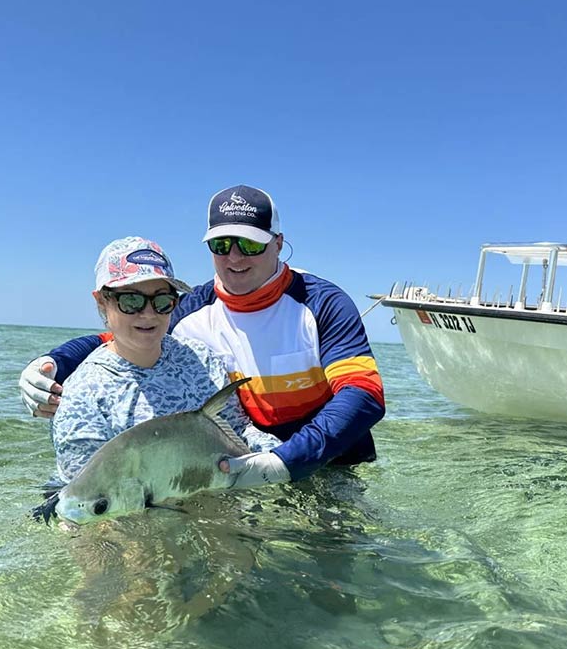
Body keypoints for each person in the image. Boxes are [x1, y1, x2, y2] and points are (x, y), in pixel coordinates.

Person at [21, 185, 385, 487]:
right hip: (244, 468)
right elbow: (127, 337)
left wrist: (286, 461)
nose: (235, 257)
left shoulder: (322, 303)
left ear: (278, 243)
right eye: (221, 244)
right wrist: (51, 363)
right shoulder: (189, 309)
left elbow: (363, 396)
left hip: (332, 463)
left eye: (251, 244)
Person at [52, 235, 278, 485]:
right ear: (102, 301)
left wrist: (280, 460)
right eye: (131, 300)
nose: (148, 314)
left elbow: (238, 432)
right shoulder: (83, 394)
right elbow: (88, 497)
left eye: (162, 301)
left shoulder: (202, 360)